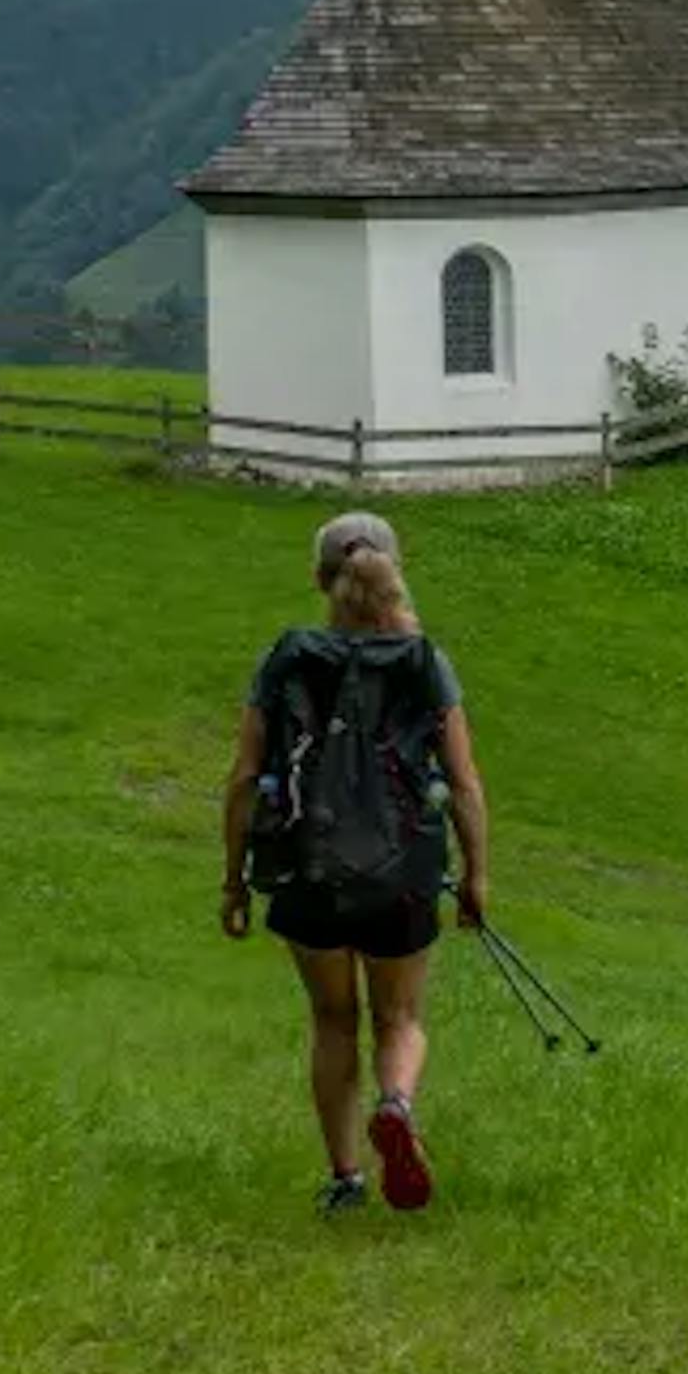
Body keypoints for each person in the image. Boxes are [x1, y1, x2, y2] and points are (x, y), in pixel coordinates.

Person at [221, 509, 491, 1216]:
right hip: (402, 873)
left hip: (308, 870)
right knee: (399, 1016)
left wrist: (234, 880)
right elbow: (463, 782)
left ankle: (346, 1178)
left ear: (319, 578)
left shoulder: (287, 656)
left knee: (333, 1020)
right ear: (395, 573)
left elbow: (245, 776)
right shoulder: (424, 661)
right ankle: (396, 1104)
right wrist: (476, 876)